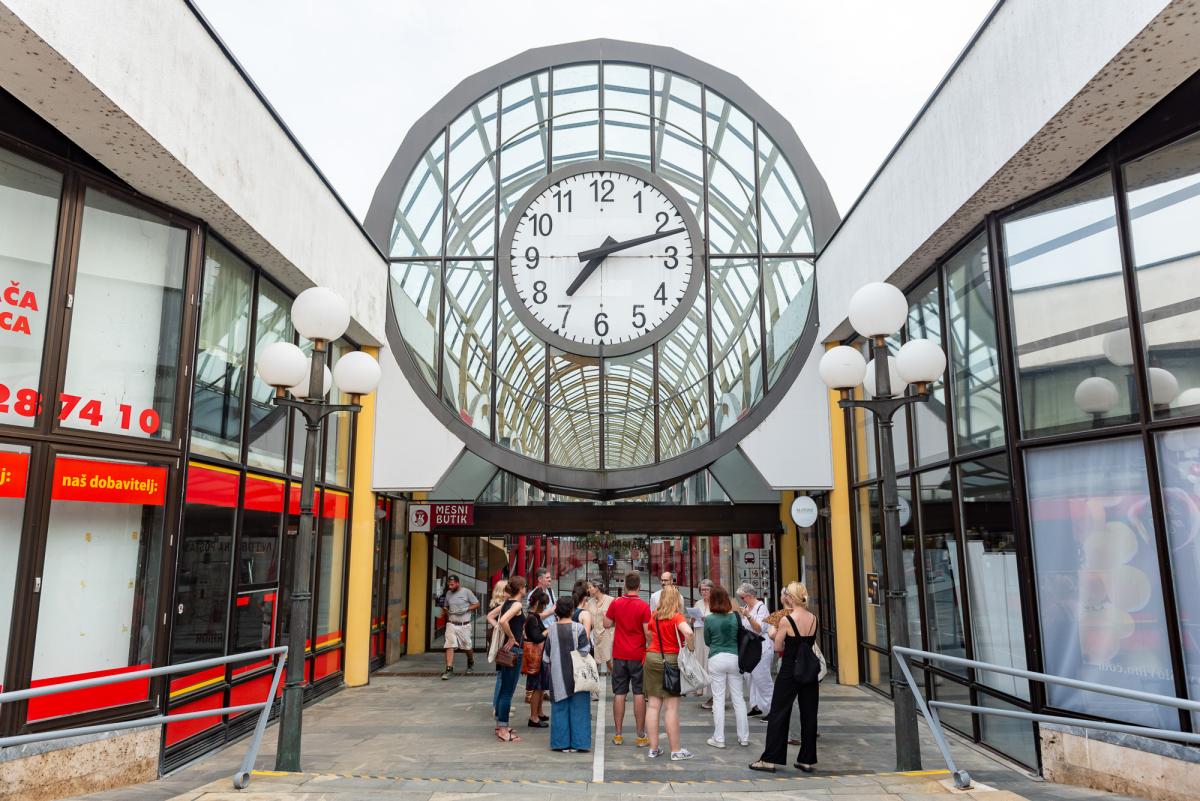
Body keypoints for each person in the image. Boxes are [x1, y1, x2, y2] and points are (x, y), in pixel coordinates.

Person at [750, 582, 820, 773]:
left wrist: (773, 634)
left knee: (779, 712)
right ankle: (807, 760)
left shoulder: (786, 620)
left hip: (790, 668)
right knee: (809, 714)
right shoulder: (813, 618)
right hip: (809, 669)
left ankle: (770, 759)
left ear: (789, 597)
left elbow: (778, 646)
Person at [643, 585, 695, 760]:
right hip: (671, 660)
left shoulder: (655, 615)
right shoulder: (677, 616)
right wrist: (690, 648)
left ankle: (653, 749)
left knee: (653, 706)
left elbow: (650, 633)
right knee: (671, 708)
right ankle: (675, 750)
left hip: (652, 658)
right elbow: (688, 632)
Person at [604, 571, 651, 748]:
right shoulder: (644, 606)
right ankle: (640, 735)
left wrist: (618, 621)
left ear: (625, 585)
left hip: (619, 654)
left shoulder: (616, 603)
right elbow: (647, 632)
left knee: (619, 694)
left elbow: (606, 624)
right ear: (639, 586)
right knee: (639, 694)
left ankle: (618, 734)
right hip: (638, 655)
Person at [542, 597, 593, 752]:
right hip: (578, 676)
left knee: (559, 710)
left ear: (557, 611)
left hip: (558, 676)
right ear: (572, 611)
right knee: (580, 710)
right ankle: (580, 743)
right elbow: (585, 650)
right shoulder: (579, 628)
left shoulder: (551, 629)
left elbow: (546, 657)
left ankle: (561, 743)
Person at [703, 585, 749, 749]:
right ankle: (744, 737)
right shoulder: (736, 617)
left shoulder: (709, 619)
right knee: (738, 699)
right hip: (735, 658)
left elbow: (707, 641)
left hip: (716, 658)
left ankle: (719, 738)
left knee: (718, 699)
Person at [492, 575, 526, 743]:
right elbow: (504, 621)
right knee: (507, 691)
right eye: (524, 587)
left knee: (504, 689)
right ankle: (503, 729)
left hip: (507, 650)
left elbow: (492, 616)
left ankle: (500, 726)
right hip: (513, 650)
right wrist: (512, 637)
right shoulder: (517, 604)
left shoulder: (506, 603)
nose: (525, 590)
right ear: (520, 589)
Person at [736, 584, 773, 718]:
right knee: (749, 677)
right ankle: (755, 706)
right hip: (750, 648)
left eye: (743, 597)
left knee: (762, 679)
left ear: (750, 595)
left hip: (762, 648)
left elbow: (759, 629)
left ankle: (772, 710)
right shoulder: (746, 607)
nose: (742, 600)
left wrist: (748, 616)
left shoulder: (761, 608)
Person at [440, 575, 479, 680]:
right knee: (449, 645)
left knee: (466, 647)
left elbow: (477, 604)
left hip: (464, 625)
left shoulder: (467, 592)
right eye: (449, 584)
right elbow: (446, 606)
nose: (450, 586)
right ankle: (449, 669)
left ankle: (470, 661)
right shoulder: (448, 593)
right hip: (451, 624)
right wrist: (445, 610)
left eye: (452, 584)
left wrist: (466, 609)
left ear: (458, 583)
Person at [524, 589, 551, 728]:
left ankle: (539, 713)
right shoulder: (532, 618)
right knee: (536, 687)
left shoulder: (535, 617)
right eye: (544, 604)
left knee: (541, 687)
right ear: (538, 604)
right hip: (536, 657)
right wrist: (548, 630)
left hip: (540, 656)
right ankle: (533, 717)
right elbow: (537, 637)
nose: (545, 607)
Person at [693, 579, 714, 706]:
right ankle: (704, 691)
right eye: (702, 590)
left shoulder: (716, 603)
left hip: (711, 638)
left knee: (710, 664)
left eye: (706, 589)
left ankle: (714, 695)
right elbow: (693, 620)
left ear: (712, 590)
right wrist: (692, 619)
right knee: (701, 663)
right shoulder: (698, 603)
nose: (704, 592)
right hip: (699, 636)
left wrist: (708, 619)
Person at [586, 580, 615, 672]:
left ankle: (617, 678)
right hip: (596, 637)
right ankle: (593, 680)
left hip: (608, 635)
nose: (588, 590)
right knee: (595, 663)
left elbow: (617, 619)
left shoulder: (611, 600)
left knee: (609, 662)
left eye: (590, 587)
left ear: (597, 588)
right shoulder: (590, 602)